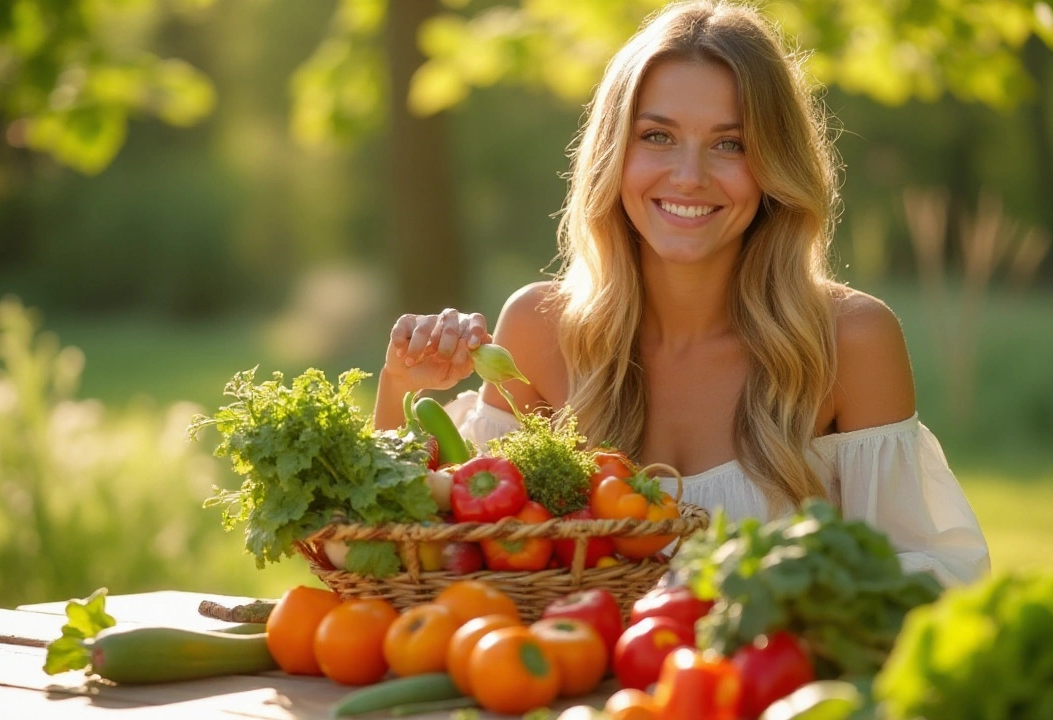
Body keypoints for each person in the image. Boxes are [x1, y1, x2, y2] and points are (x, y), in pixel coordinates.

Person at [374, 0, 990, 587]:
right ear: (614, 153)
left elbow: (920, 577)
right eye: (657, 137)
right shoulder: (539, 329)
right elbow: (433, 554)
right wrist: (402, 388)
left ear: (775, 164)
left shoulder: (849, 340)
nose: (690, 177)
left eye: (731, 144)